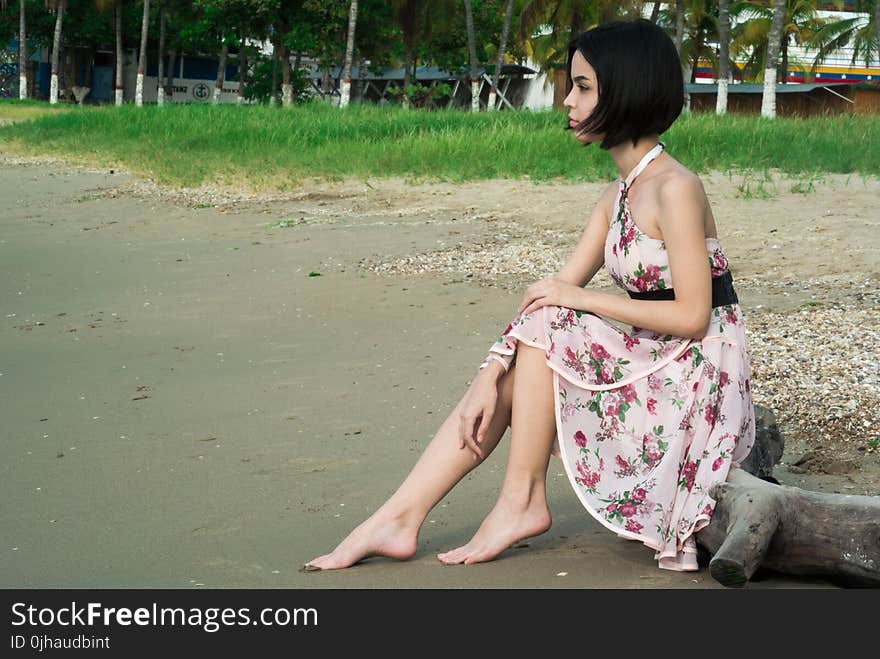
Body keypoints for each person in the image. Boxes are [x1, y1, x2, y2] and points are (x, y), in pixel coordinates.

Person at [303, 18, 755, 573]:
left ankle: (517, 501)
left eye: (583, 86)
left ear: (627, 88)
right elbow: (547, 296)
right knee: (533, 343)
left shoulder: (676, 188)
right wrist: (487, 373)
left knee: (557, 319)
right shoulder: (619, 192)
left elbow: (691, 315)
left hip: (697, 366)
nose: (567, 99)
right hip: (652, 352)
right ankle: (402, 514)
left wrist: (582, 300)